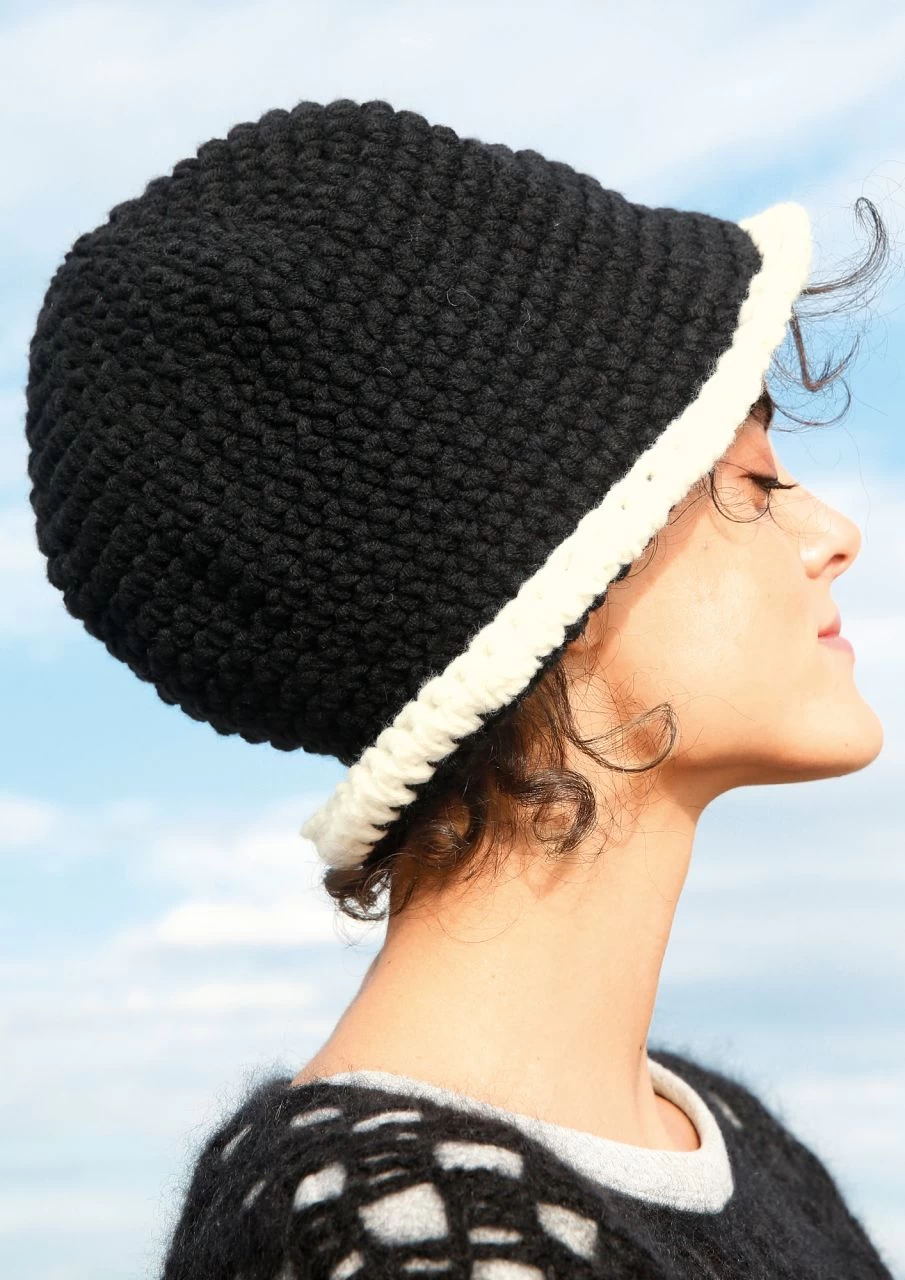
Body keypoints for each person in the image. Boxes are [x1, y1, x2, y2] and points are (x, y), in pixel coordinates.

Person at [24, 97, 896, 1277]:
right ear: (556, 577)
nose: (831, 532)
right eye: (746, 481)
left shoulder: (729, 1140)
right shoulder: (408, 1241)